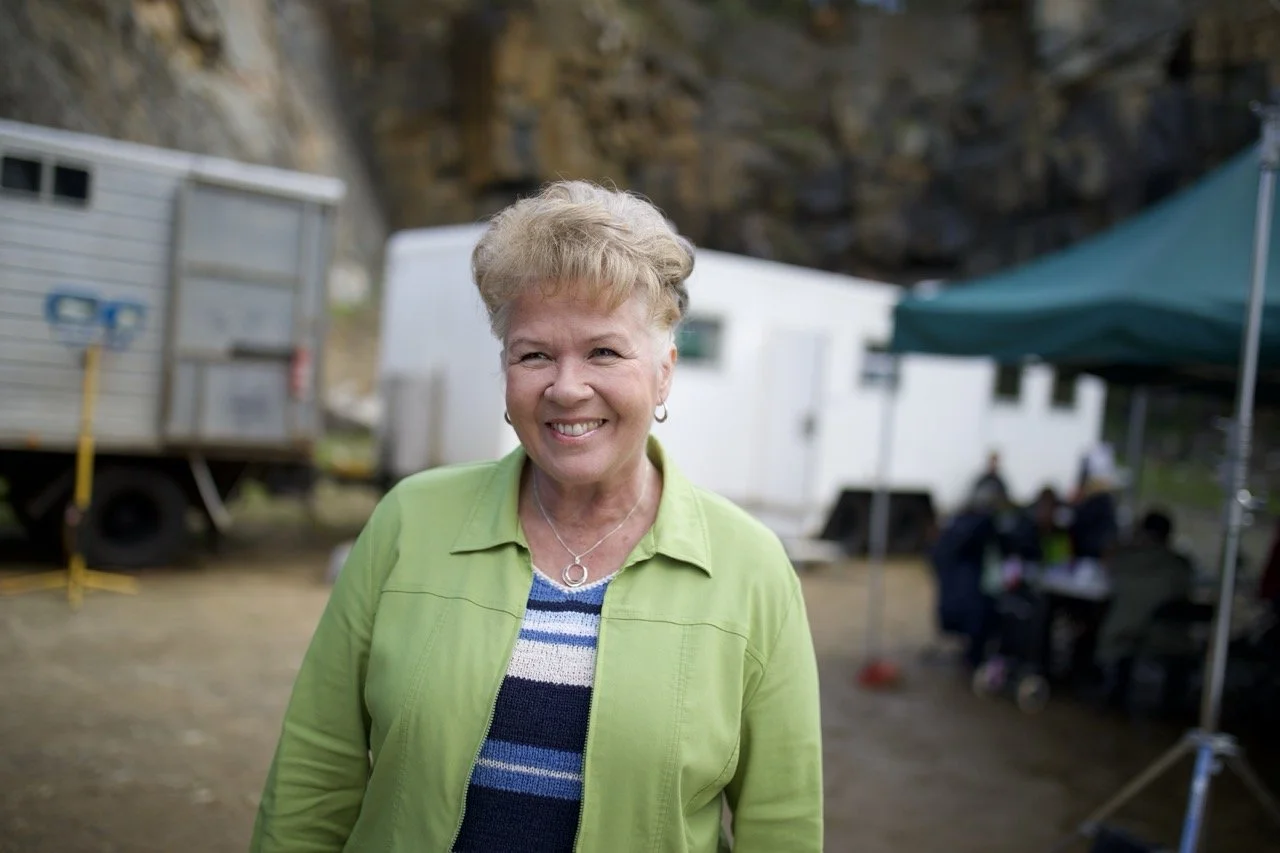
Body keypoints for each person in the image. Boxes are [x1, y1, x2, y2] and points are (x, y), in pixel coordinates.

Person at [250, 181, 824, 852]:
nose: (567, 386)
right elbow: (314, 774)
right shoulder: (409, 521)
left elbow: (781, 824)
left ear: (664, 372)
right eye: (535, 354)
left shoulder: (749, 566)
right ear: (505, 370)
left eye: (604, 351)